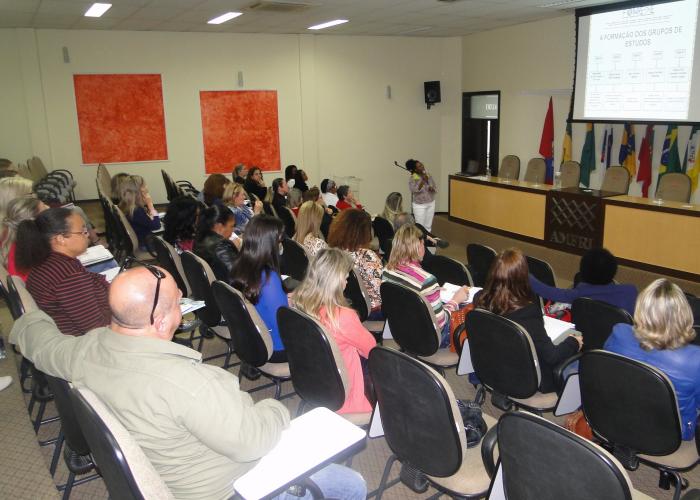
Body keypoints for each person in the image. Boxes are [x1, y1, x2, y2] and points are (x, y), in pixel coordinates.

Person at [10, 265, 367, 500]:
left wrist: (23, 309)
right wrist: (277, 409)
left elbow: (41, 342)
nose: (182, 309)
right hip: (226, 487)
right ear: (161, 318)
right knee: (351, 485)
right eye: (179, 303)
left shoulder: (85, 350)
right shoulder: (187, 383)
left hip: (172, 468)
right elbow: (253, 442)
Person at [474, 248, 582, 393]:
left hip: (493, 367)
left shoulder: (480, 299)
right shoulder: (527, 312)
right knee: (581, 361)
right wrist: (573, 341)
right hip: (526, 379)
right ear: (524, 277)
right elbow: (552, 356)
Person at [605, 279, 700, 440]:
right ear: (684, 314)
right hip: (673, 431)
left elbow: (608, 371)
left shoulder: (619, 332)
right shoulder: (695, 359)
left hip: (620, 413)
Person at [293, 248, 376, 414]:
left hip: (313, 378)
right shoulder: (343, 317)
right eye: (345, 278)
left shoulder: (298, 302)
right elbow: (371, 351)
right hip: (343, 391)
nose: (346, 282)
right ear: (336, 281)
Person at [16, 208, 110, 336]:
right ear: (61, 239)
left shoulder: (49, 260)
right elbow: (96, 329)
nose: (87, 234)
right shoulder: (68, 276)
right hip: (83, 342)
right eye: (82, 231)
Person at [383, 224, 468, 346]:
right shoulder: (426, 280)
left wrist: (433, 291)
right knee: (467, 310)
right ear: (418, 247)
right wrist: (456, 300)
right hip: (429, 339)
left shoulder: (387, 270)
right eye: (423, 244)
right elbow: (441, 323)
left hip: (401, 329)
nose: (424, 248)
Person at [230, 215, 289, 362]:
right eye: (279, 241)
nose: (280, 245)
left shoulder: (239, 266)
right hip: (277, 347)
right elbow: (282, 321)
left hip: (253, 340)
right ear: (269, 244)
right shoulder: (269, 279)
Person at [529, 248, 637, 315]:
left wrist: (523, 272)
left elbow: (546, 291)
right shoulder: (630, 292)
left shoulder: (579, 293)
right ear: (613, 269)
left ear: (583, 272)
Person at [327, 209, 383, 315]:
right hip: (366, 311)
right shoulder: (367, 256)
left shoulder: (330, 253)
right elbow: (377, 299)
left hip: (337, 307)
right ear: (364, 232)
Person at [1, 197, 48, 280]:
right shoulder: (29, 252)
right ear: (33, 222)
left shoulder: (8, 239)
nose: (49, 207)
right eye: (45, 209)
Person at [193, 205, 239, 282]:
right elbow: (237, 279)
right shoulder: (222, 246)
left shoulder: (199, 239)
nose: (233, 230)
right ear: (219, 226)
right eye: (231, 226)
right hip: (225, 291)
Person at [119, 175, 160, 250]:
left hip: (141, 239)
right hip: (146, 244)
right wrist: (150, 205)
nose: (147, 187)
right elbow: (156, 226)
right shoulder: (136, 211)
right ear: (139, 191)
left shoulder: (126, 205)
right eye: (144, 185)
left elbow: (145, 221)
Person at [406, 159, 437, 232]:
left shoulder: (427, 174)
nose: (422, 166)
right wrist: (422, 181)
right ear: (415, 169)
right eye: (419, 166)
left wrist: (432, 188)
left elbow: (434, 185)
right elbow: (413, 190)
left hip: (431, 202)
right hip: (420, 205)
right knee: (420, 226)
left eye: (422, 164)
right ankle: (420, 241)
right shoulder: (413, 178)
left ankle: (427, 241)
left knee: (428, 226)